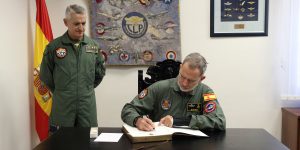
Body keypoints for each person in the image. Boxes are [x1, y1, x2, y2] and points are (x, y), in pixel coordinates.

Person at [40, 4, 106, 132]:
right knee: (60, 142)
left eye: (83, 23)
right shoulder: (54, 47)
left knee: (89, 141)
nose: (81, 28)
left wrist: (84, 89)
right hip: (63, 106)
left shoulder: (93, 47)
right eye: (76, 24)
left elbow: (99, 74)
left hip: (87, 106)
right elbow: (45, 76)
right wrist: (63, 91)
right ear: (66, 22)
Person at [121, 52, 225, 131]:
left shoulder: (206, 92)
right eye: (182, 76)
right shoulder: (159, 88)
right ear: (180, 68)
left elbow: (219, 121)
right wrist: (137, 120)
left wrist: (180, 121)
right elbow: (128, 109)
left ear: (201, 79)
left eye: (191, 80)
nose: (184, 83)